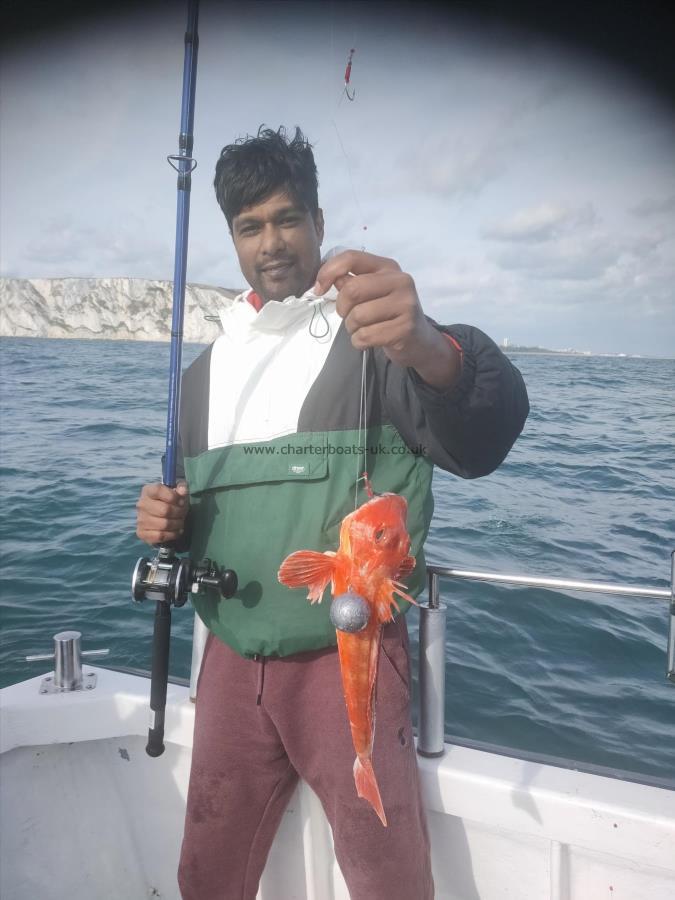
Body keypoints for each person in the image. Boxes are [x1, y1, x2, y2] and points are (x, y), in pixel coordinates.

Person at [136, 126, 529, 900]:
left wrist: (429, 346)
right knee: (203, 874)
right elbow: (199, 511)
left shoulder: (377, 335)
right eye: (250, 227)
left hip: (345, 658)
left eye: (287, 219)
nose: (271, 242)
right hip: (227, 656)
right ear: (231, 238)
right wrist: (166, 521)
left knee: (388, 878)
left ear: (318, 220)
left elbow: (479, 438)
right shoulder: (202, 374)